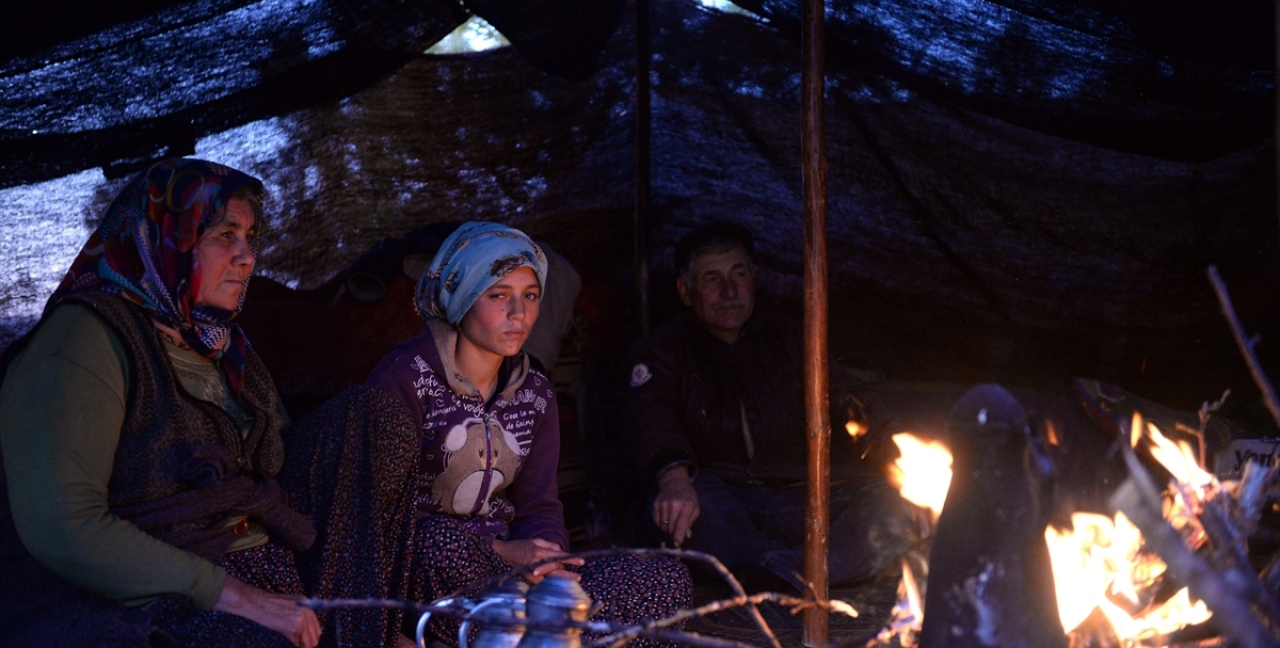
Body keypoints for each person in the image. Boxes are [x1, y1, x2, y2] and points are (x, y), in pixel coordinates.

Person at [0, 159, 416, 648]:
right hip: (173, 587)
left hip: (268, 558)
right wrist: (236, 596)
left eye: (250, 237)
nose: (247, 256)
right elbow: (64, 528)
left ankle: (366, 632)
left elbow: (283, 464)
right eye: (224, 235)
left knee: (371, 417)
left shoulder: (220, 342)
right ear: (165, 239)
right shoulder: (83, 339)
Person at [364, 221, 691, 646]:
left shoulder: (535, 392)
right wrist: (502, 555)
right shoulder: (402, 379)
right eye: (499, 295)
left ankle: (534, 636)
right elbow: (376, 515)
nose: (519, 314)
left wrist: (547, 560)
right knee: (439, 542)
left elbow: (539, 504)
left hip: (515, 580)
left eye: (530, 296)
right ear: (459, 296)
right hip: (432, 577)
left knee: (666, 578)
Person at [622, 221, 919, 594]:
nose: (729, 291)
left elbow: (849, 404)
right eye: (712, 279)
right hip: (719, 496)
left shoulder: (793, 338)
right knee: (681, 510)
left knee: (897, 506)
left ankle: (773, 574)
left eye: (739, 274)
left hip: (798, 495)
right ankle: (805, 572)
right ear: (685, 290)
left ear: (754, 279)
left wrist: (905, 460)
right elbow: (651, 419)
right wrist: (674, 479)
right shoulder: (661, 350)